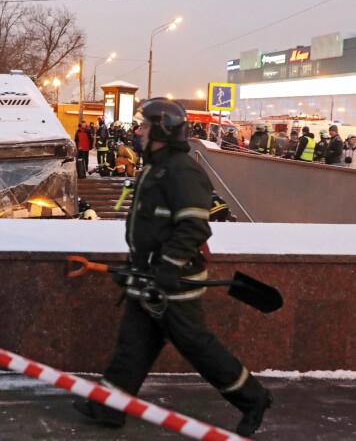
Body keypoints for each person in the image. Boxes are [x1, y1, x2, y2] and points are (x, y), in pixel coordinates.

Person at [72, 98, 272, 437]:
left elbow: (194, 227)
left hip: (174, 281)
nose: (139, 132)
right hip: (149, 276)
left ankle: (254, 398)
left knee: (196, 345)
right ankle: (108, 407)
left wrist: (167, 267)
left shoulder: (182, 170)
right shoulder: (156, 165)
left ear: (162, 130)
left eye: (145, 126)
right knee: (133, 344)